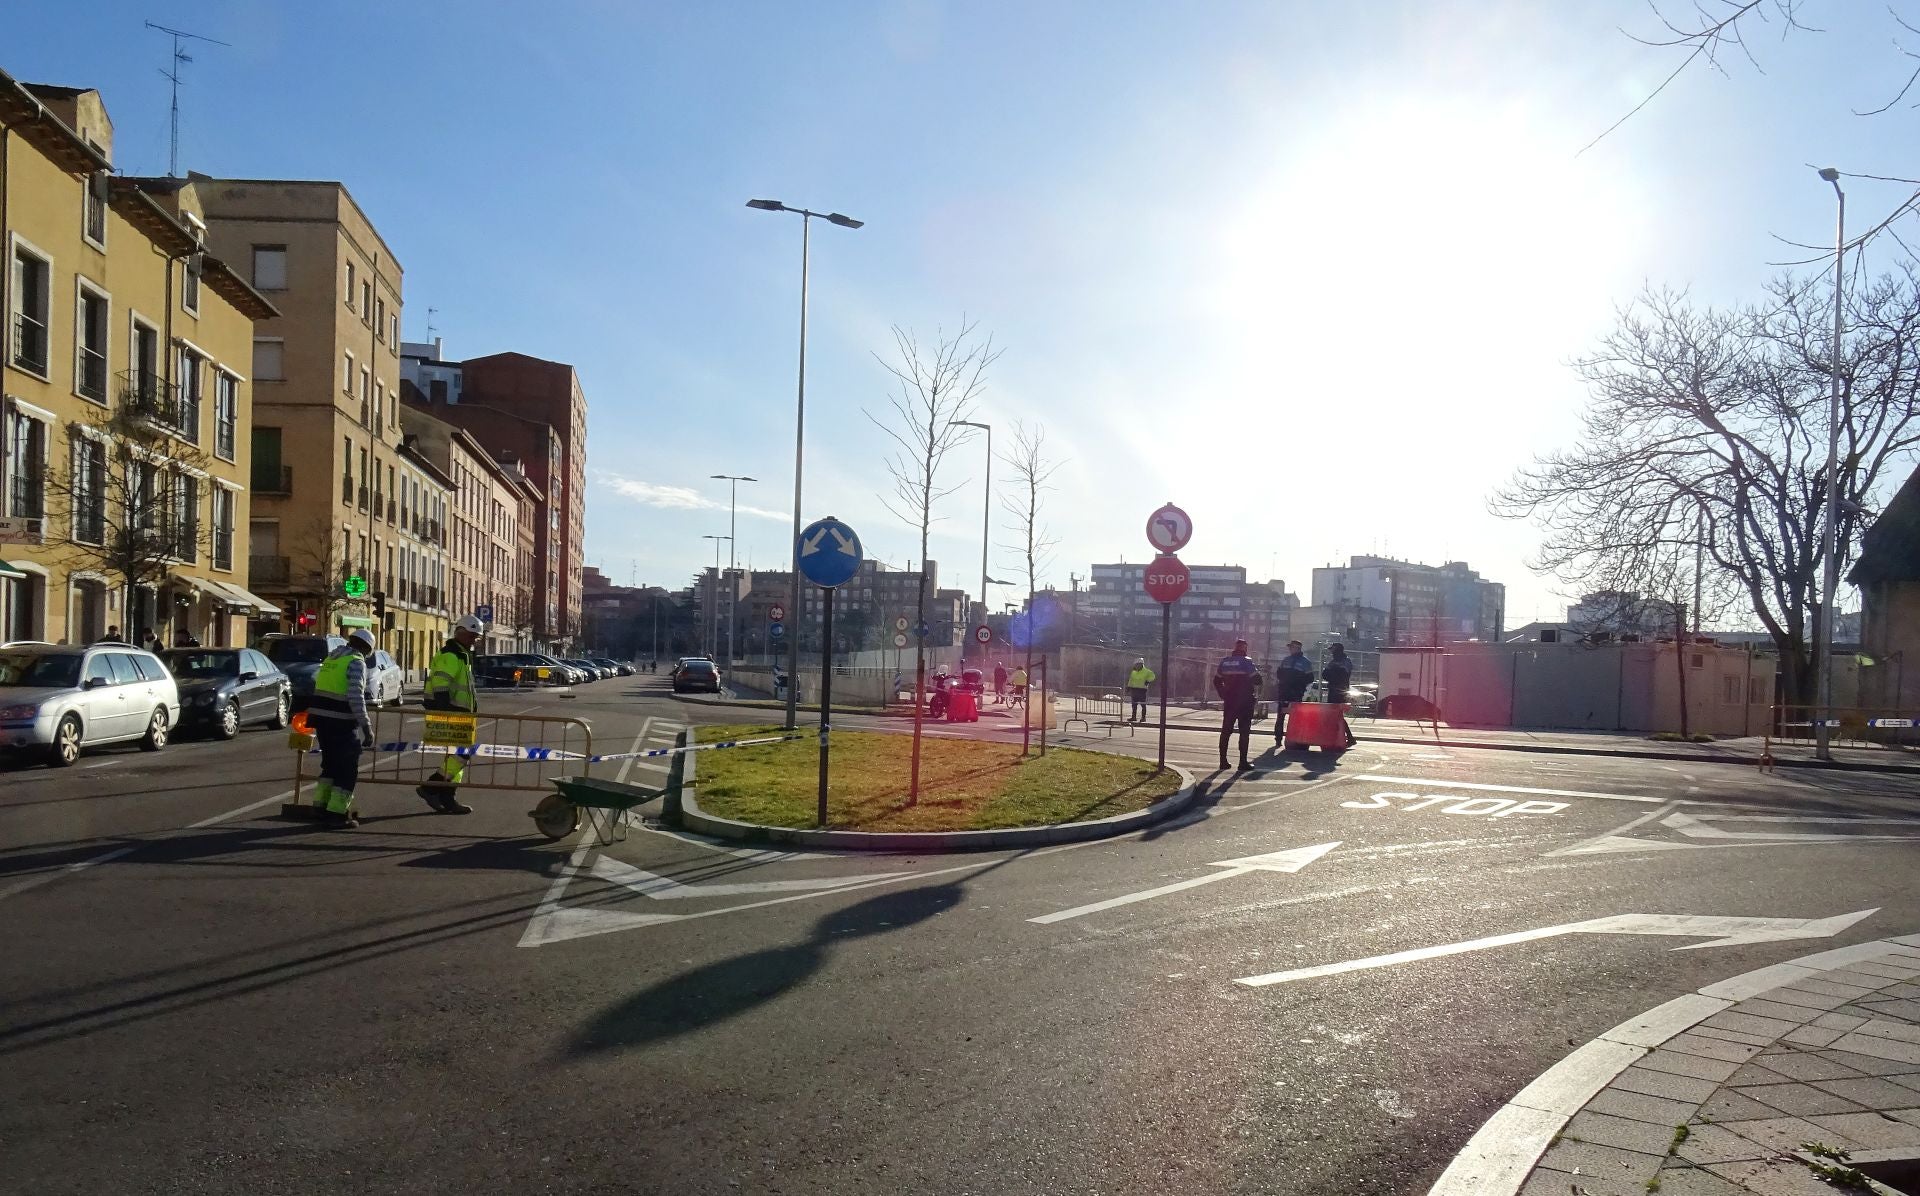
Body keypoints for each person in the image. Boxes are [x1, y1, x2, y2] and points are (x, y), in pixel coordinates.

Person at [307, 628, 378, 828]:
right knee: (347, 769)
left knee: (329, 765)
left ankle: (320, 808)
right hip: (341, 721)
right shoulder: (356, 662)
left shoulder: (333, 659)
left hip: (321, 719)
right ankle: (336, 814)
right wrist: (366, 725)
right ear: (366, 648)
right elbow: (355, 696)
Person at [416, 614, 483, 815]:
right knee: (461, 755)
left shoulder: (461, 654)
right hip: (452, 712)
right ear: (460, 632)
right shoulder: (451, 655)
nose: (474, 640)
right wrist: (445, 712)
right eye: (471, 636)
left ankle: (447, 798)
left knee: (457, 757)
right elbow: (441, 685)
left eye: (476, 637)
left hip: (460, 713)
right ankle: (431, 787)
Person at [1213, 638, 1262, 770]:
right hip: (1245, 702)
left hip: (1229, 701)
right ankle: (1242, 763)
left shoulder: (1225, 661)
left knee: (1226, 731)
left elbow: (1216, 680)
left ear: (1235, 648)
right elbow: (1257, 680)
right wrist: (1258, 672)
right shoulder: (1247, 661)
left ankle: (1223, 761)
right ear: (1245, 648)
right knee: (1244, 732)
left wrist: (1222, 693)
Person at [1272, 639, 1315, 745]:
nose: (1290, 649)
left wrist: (1298, 683)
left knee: (1295, 717)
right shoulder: (1286, 660)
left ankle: (1294, 738)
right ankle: (1278, 738)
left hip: (1296, 693)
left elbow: (1310, 678)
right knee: (1280, 716)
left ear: (1297, 648)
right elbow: (1279, 673)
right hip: (1284, 692)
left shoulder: (1305, 662)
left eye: (1291, 647)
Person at [1323, 642, 1359, 748]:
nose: (1331, 652)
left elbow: (1343, 676)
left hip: (1340, 692)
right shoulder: (1334, 661)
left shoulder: (1345, 661)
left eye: (1333, 650)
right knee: (1335, 715)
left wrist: (1333, 675)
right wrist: (1334, 675)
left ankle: (1348, 738)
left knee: (1337, 715)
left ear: (1337, 650)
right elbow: (1324, 674)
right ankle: (1346, 737)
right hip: (1333, 690)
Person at [1126, 657, 1156, 724]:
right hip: (1134, 689)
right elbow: (1131, 680)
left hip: (1142, 690)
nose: (1136, 666)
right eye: (1135, 665)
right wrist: (1128, 687)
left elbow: (1153, 676)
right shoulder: (1133, 672)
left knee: (1143, 704)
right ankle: (1134, 717)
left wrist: (1148, 681)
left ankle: (1143, 717)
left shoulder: (1147, 671)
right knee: (1134, 704)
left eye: (1137, 665)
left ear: (1141, 664)